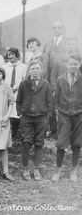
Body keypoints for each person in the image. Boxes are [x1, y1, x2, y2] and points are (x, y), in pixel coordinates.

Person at [16, 60, 53, 181]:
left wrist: (47, 115)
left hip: (41, 117)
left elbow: (50, 101)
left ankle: (36, 169)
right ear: (29, 70)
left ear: (41, 70)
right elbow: (19, 100)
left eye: (37, 68)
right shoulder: (24, 83)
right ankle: (26, 168)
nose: (35, 70)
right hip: (26, 117)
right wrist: (20, 113)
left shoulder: (46, 84)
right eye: (33, 68)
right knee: (26, 143)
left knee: (39, 143)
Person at [52, 53, 82, 182]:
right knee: (60, 143)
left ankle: (74, 171)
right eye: (71, 64)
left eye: (76, 64)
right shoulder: (60, 79)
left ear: (79, 64)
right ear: (66, 64)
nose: (73, 66)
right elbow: (56, 98)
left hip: (79, 115)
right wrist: (57, 112)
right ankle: (57, 170)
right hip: (64, 114)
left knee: (77, 143)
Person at [2, 48, 27, 139]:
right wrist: (8, 88)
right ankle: (8, 133)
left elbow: (24, 79)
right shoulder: (4, 66)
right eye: (9, 55)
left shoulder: (23, 66)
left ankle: (17, 134)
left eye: (12, 54)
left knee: (17, 111)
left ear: (17, 55)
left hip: (19, 91)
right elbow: (2, 79)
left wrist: (17, 86)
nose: (10, 56)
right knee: (8, 110)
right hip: (7, 91)